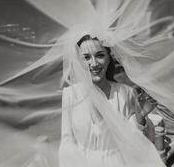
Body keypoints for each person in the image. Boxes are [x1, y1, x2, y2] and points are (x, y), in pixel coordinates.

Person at [58, 35, 163, 167]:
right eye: (86, 57)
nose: (94, 63)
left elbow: (137, 144)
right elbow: (67, 143)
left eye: (100, 55)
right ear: (79, 62)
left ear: (109, 58)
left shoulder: (126, 92)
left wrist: (140, 117)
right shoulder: (70, 95)